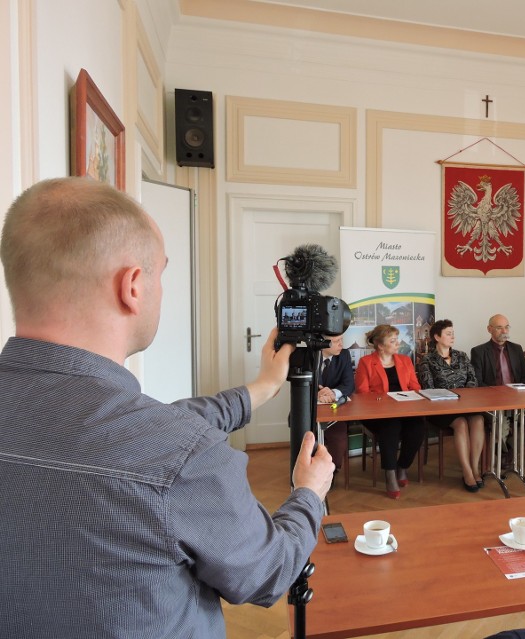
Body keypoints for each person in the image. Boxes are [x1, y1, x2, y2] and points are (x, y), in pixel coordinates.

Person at [0, 177, 335, 639]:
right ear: (132, 286)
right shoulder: (180, 455)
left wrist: (260, 388)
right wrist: (309, 495)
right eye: (161, 273)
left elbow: (151, 431)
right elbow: (268, 572)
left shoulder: (163, 441)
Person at [354, 324, 427, 499]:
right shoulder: (366, 362)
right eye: (393, 340)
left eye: (397, 339)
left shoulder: (405, 360)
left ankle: (402, 467)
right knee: (391, 426)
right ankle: (390, 474)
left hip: (404, 408)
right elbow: (362, 392)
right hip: (377, 412)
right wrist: (385, 401)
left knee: (419, 427)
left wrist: (410, 396)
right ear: (380, 345)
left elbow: (415, 386)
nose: (398, 343)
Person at [417, 319, 486, 492]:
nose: (452, 336)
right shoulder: (427, 360)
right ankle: (466, 471)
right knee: (461, 423)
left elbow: (473, 379)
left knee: (478, 419)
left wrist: (464, 396)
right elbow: (428, 388)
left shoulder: (462, 356)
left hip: (466, 403)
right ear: (437, 337)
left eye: (453, 333)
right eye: (448, 333)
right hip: (441, 408)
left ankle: (475, 467)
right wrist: (449, 398)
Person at [469, 313, 525, 463]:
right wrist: (498, 394)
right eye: (499, 328)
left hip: (517, 399)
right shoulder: (478, 351)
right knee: (501, 425)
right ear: (489, 329)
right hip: (492, 401)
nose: (504, 331)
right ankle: (500, 459)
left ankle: (508, 451)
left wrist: (519, 392)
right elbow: (478, 381)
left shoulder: (517, 349)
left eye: (506, 327)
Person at [289, 334, 355, 472]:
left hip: (334, 409)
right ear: (322, 342)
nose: (341, 344)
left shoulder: (344, 355)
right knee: (307, 437)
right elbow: (299, 383)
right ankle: (306, 471)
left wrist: (333, 393)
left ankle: (332, 470)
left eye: (341, 339)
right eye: (336, 341)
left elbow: (349, 385)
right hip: (307, 407)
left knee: (338, 437)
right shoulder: (305, 355)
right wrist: (316, 393)